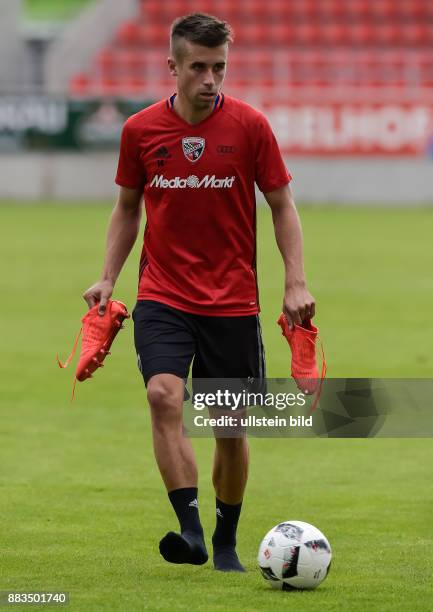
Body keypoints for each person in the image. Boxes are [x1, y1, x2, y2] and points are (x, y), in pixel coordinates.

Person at [83, 13, 315, 572]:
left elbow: (282, 205)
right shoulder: (140, 130)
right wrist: (108, 277)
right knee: (163, 396)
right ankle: (190, 532)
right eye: (199, 68)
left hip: (233, 302)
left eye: (219, 68)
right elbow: (127, 208)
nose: (211, 80)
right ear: (173, 67)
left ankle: (227, 540)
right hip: (162, 294)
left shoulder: (251, 127)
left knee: (229, 428)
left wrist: (296, 282)